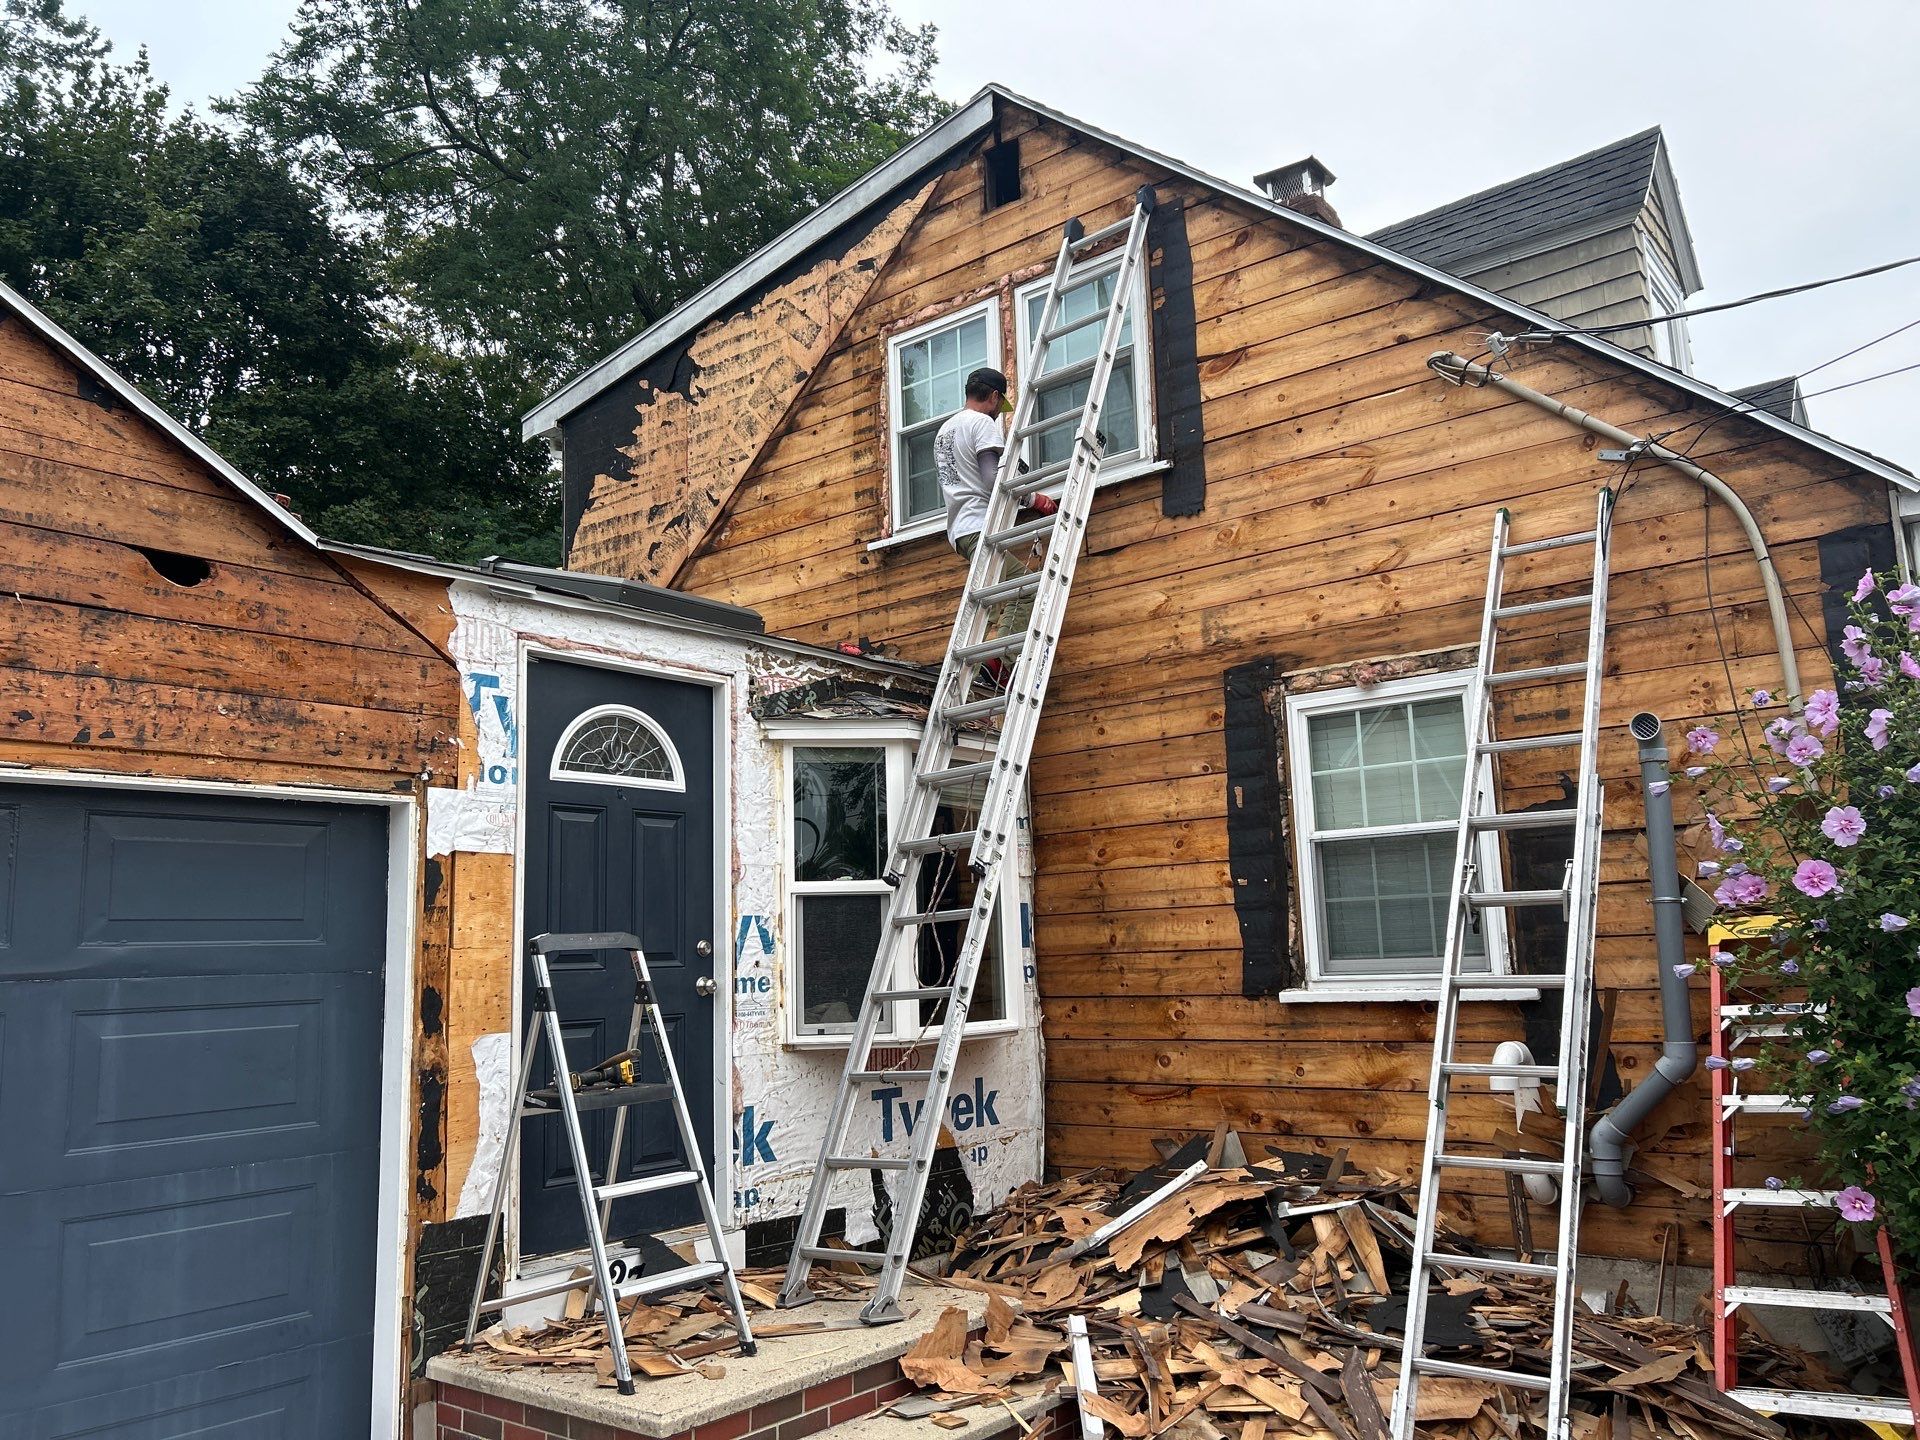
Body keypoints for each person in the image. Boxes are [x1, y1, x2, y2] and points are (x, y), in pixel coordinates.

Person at [933, 368, 1056, 665]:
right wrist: (1033, 499)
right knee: (1009, 597)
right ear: (994, 396)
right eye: (1000, 405)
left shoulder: (944, 431)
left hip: (961, 530)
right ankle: (991, 665)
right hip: (979, 527)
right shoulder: (982, 423)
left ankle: (992, 665)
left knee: (1008, 592)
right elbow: (991, 478)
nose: (999, 412)